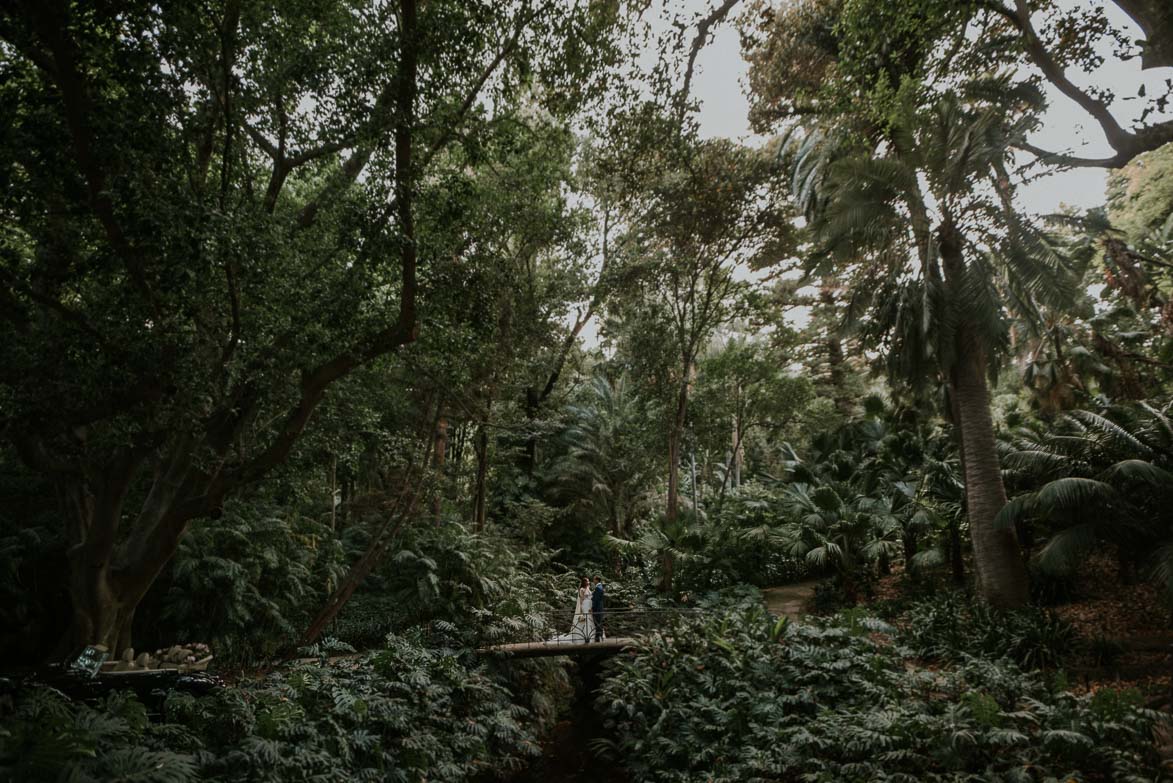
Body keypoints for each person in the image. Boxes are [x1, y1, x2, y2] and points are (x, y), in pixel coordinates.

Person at [552, 576, 594, 644]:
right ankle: (582, 637)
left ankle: (591, 636)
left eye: (588, 581)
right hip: (585, 605)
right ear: (584, 582)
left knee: (590, 620)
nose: (588, 582)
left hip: (589, 605)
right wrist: (582, 609)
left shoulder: (587, 589)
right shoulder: (582, 589)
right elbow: (582, 598)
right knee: (585, 619)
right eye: (587, 581)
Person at [591, 575, 605, 642]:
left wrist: (592, 607)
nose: (593, 581)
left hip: (597, 608)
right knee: (599, 622)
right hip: (599, 607)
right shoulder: (599, 587)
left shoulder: (598, 588)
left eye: (594, 579)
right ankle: (600, 636)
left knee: (597, 622)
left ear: (597, 580)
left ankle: (598, 637)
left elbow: (596, 600)